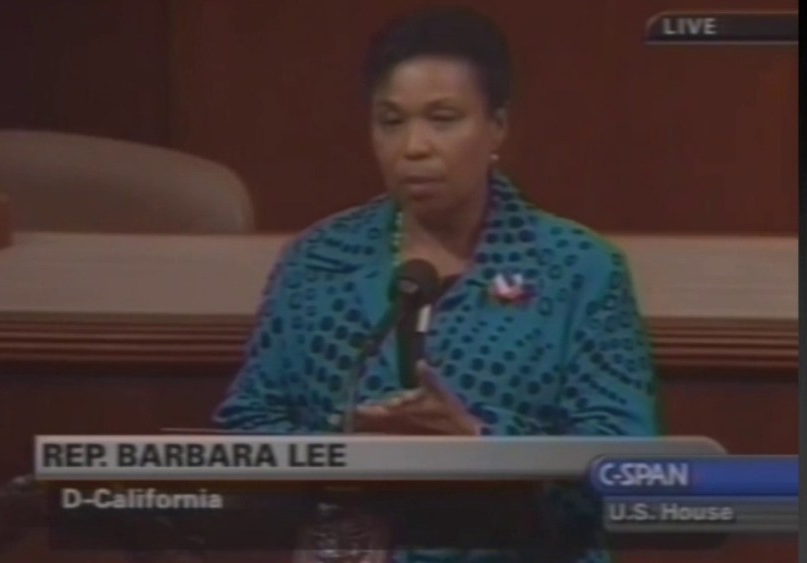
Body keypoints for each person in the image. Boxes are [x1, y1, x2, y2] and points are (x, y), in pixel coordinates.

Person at [214, 6, 657, 562]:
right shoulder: (318, 261)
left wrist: (478, 444)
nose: (414, 147)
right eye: (391, 121)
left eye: (442, 119)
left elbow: (628, 469)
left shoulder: (577, 269)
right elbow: (247, 425)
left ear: (497, 126)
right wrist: (343, 448)